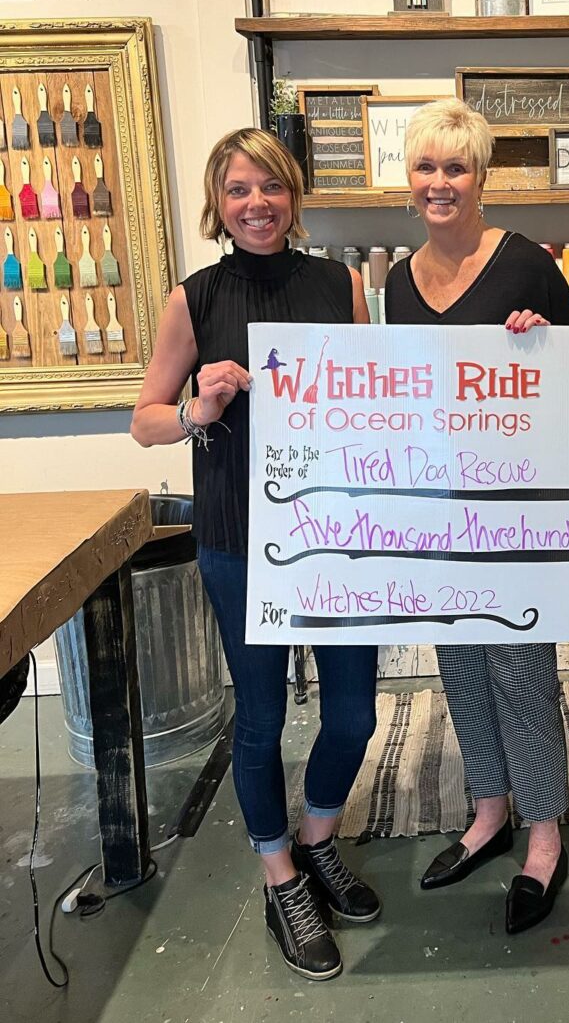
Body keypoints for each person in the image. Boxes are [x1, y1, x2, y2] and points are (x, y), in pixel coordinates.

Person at [131, 129, 379, 982]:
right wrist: (197, 408)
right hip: (239, 540)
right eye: (238, 189)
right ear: (219, 202)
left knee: (354, 714)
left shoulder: (340, 285)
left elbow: (376, 396)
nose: (256, 204)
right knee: (264, 718)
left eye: (270, 186)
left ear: (293, 194)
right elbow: (145, 419)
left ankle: (318, 841)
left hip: (337, 536)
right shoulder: (194, 298)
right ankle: (281, 877)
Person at [383, 99, 569, 935]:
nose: (440, 182)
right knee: (460, 660)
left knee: (520, 667)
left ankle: (544, 831)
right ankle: (489, 808)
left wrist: (543, 343)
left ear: (481, 178)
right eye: (426, 166)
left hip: (516, 502)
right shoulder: (397, 281)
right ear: (410, 179)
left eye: (456, 167)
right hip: (439, 503)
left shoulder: (527, 263)